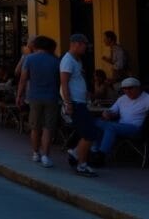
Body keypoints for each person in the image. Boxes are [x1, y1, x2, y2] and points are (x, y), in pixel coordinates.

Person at [16, 35, 60, 168]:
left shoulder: (30, 59)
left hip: (34, 96)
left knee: (35, 127)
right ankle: (46, 155)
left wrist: (19, 95)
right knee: (47, 127)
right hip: (52, 96)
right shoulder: (55, 60)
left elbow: (23, 79)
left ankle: (35, 153)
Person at [61, 34, 97, 177]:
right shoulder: (67, 61)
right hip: (75, 103)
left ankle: (76, 153)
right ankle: (81, 164)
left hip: (81, 101)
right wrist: (68, 103)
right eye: (84, 45)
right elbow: (64, 83)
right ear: (76, 44)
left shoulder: (77, 60)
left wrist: (86, 92)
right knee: (89, 133)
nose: (86, 48)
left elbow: (77, 80)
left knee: (90, 132)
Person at [90, 77, 149, 163]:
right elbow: (113, 111)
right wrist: (107, 113)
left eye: (130, 88)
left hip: (135, 128)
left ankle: (100, 156)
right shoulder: (122, 98)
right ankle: (94, 151)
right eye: (125, 89)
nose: (127, 91)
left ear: (138, 87)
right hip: (120, 125)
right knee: (96, 122)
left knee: (110, 127)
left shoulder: (146, 98)